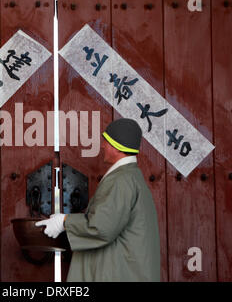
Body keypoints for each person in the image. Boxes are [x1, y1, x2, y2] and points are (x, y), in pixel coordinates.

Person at [36, 118, 161, 281]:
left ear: (117, 147)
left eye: (107, 141)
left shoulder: (121, 180)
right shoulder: (131, 177)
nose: (103, 146)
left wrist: (65, 221)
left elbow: (101, 227)